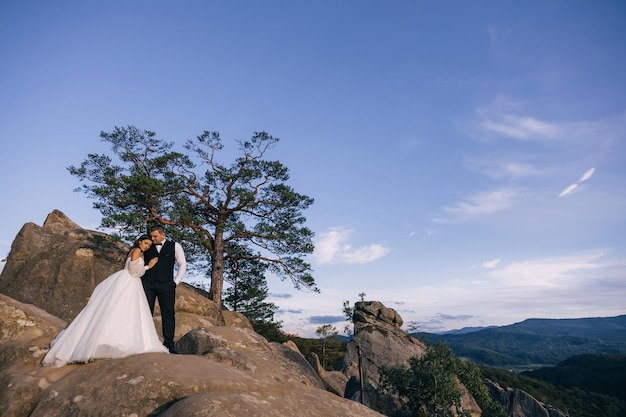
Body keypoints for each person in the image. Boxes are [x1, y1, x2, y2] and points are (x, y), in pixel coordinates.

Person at [42, 235, 169, 367]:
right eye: (145, 243)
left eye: (149, 245)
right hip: (129, 282)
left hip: (130, 283)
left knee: (122, 311)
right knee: (123, 310)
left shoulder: (137, 251)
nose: (146, 246)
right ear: (140, 241)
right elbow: (133, 271)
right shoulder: (137, 250)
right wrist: (149, 266)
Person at [142, 225, 186, 354]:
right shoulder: (147, 246)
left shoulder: (175, 246)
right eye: (151, 236)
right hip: (148, 284)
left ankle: (169, 344)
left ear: (163, 235)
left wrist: (176, 282)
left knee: (168, 314)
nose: (152, 238)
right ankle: (145, 342)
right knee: (146, 313)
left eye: (155, 236)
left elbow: (182, 263)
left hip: (166, 285)